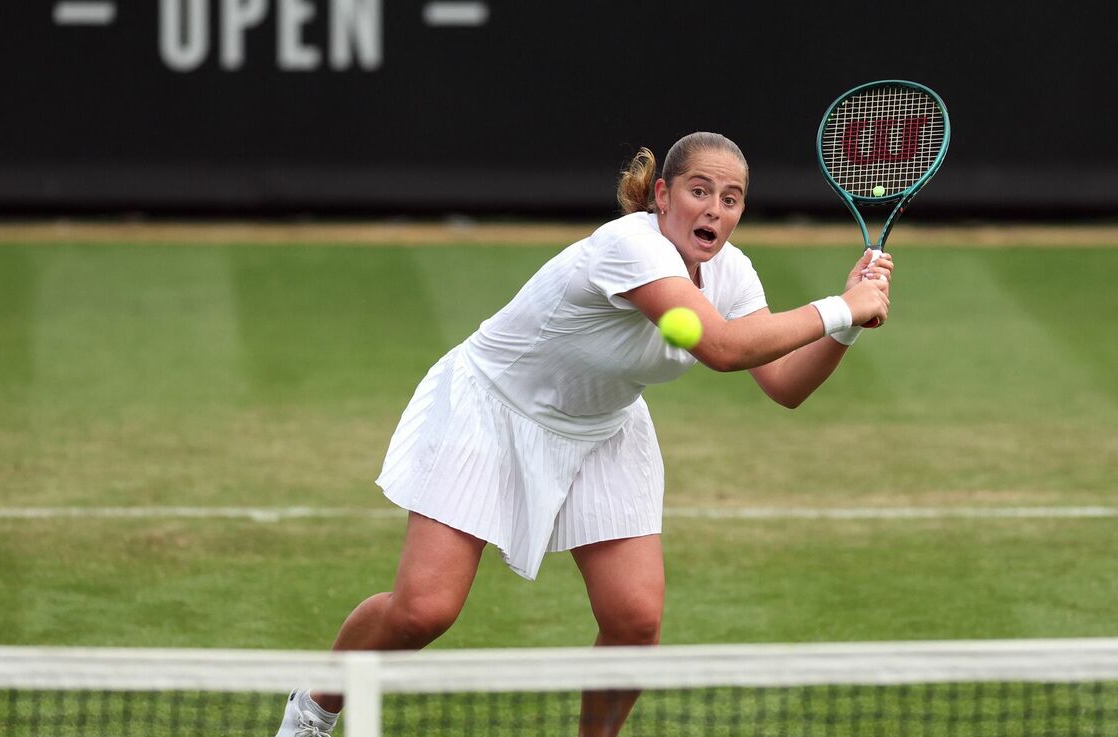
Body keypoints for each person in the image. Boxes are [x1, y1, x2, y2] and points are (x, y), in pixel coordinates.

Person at [274, 131, 892, 737]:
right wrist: (841, 307)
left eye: (730, 199)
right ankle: (314, 710)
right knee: (422, 612)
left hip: (604, 428)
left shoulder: (732, 275)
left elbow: (783, 383)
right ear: (662, 196)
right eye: (698, 190)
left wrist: (847, 323)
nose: (713, 209)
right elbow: (723, 349)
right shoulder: (630, 249)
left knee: (634, 620)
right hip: (493, 410)